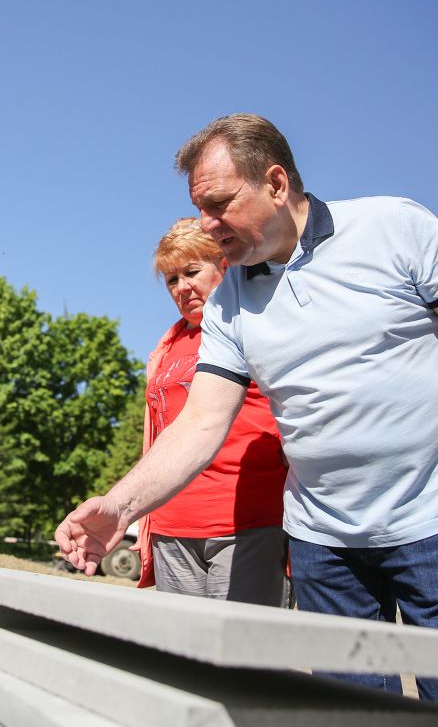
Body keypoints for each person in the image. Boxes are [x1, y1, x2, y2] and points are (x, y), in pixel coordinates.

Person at [55, 113, 438, 724]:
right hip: (325, 546)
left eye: (220, 204)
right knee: (347, 714)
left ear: (277, 183)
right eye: (198, 208)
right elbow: (202, 424)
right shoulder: (231, 302)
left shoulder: (393, 227)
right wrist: (120, 507)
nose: (207, 224)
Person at [136, 217, 286, 603]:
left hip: (248, 521)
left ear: (224, 265)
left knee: (242, 657)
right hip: (172, 522)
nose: (181, 288)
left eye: (191, 271)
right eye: (171, 279)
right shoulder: (168, 344)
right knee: (182, 658)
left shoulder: (258, 322)